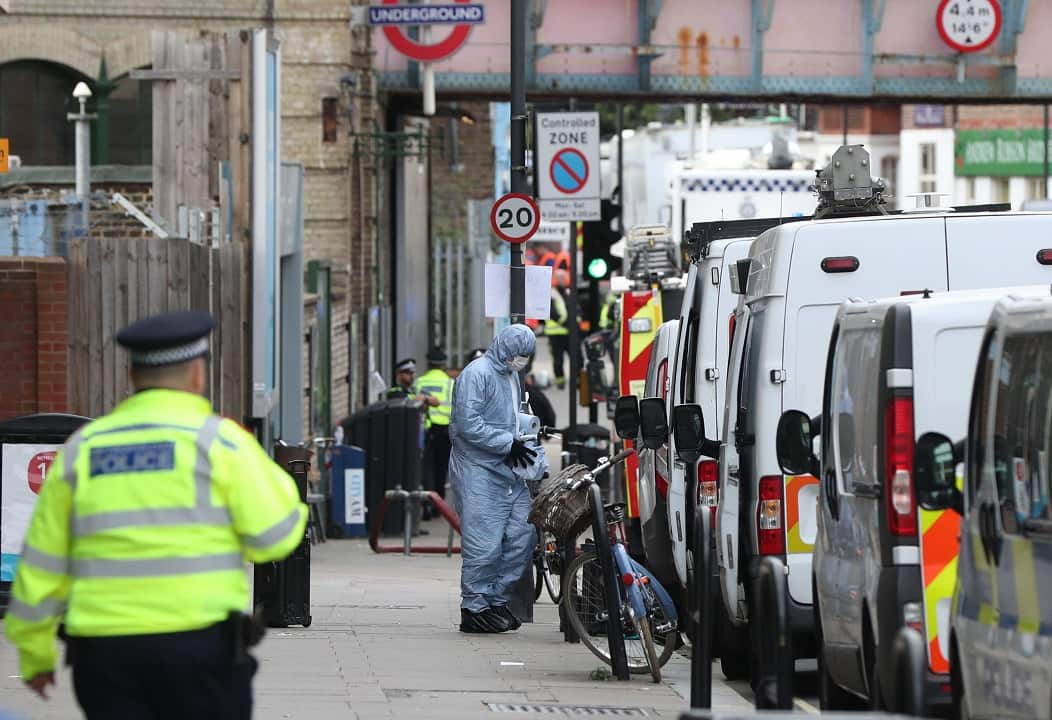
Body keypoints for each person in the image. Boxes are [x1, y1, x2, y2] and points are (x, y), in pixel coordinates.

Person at [4, 310, 307, 719]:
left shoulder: (83, 448)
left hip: (105, 654)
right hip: (198, 649)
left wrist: (35, 652)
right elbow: (276, 535)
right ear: (197, 375)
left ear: (132, 376)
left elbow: (40, 562)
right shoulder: (217, 442)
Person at [449, 324, 538, 633]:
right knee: (484, 545)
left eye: (525, 355)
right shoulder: (477, 375)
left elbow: (509, 416)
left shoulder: (509, 375)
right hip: (478, 471)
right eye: (518, 354)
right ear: (504, 349)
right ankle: (474, 608)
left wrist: (521, 438)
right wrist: (506, 443)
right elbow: (467, 424)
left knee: (522, 536)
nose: (521, 360)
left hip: (507, 470)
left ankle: (495, 600)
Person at [417, 348, 455, 503]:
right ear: (443, 365)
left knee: (426, 467)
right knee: (441, 468)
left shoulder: (419, 382)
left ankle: (426, 502)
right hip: (444, 431)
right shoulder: (450, 383)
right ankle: (438, 503)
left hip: (424, 429)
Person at [544, 275, 570, 389]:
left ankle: (578, 381)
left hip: (568, 333)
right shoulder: (551, 294)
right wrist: (564, 322)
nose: (564, 280)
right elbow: (553, 313)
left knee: (576, 358)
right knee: (558, 360)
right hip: (555, 333)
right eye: (562, 278)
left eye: (564, 278)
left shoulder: (566, 292)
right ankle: (560, 381)